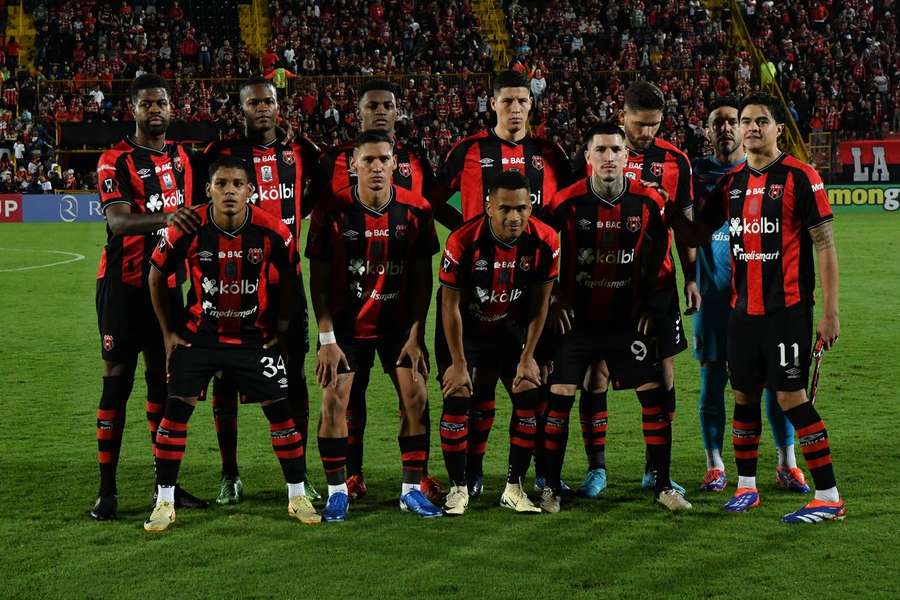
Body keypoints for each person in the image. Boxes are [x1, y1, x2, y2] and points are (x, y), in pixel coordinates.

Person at [667, 93, 845, 523]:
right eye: (746, 121)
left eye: (761, 121)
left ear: (777, 128)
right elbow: (693, 235)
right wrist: (663, 204)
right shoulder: (731, 184)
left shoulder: (802, 177)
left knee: (791, 397)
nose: (751, 128)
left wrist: (831, 311)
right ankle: (746, 487)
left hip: (787, 312)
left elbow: (824, 244)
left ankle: (829, 495)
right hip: (741, 313)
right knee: (743, 396)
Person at [144, 155, 320, 531]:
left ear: (250, 191)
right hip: (200, 338)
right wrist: (169, 332)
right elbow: (156, 275)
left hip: (253, 338)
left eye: (237, 184)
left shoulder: (273, 230)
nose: (229, 191)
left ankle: (297, 495)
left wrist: (283, 325)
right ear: (208, 189)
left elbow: (291, 278)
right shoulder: (187, 228)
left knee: (281, 412)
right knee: (175, 413)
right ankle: (164, 502)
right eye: (221, 184)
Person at [539, 122, 693, 514]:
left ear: (628, 157)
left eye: (616, 151)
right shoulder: (566, 201)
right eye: (601, 150)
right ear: (588, 157)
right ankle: (552, 487)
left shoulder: (647, 202)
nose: (609, 158)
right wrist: (553, 295)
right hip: (578, 320)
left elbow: (660, 259)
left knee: (653, 395)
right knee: (559, 398)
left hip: (625, 320)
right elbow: (538, 250)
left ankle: (661, 484)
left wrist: (648, 306)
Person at [433, 70, 571, 497]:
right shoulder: (469, 151)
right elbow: (436, 198)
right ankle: (472, 474)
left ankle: (543, 476)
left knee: (535, 384)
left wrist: (550, 271)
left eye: (522, 101)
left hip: (527, 287)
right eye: (507, 101)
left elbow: (566, 207)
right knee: (479, 384)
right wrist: (471, 234)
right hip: (476, 286)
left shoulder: (549, 152)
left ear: (532, 105)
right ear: (491, 103)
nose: (515, 109)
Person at [312, 79, 444, 503]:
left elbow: (424, 275)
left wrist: (416, 333)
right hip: (348, 326)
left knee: (416, 393)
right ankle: (341, 486)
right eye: (367, 160)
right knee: (337, 399)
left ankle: (412, 487)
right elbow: (318, 279)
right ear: (353, 164)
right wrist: (327, 339)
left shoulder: (417, 210)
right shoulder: (331, 211)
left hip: (396, 324)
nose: (375, 166)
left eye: (383, 160)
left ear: (394, 164)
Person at [90, 74, 206, 520]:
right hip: (123, 287)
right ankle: (107, 492)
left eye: (161, 103)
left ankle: (167, 490)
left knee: (164, 385)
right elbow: (118, 223)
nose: (155, 110)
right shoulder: (113, 159)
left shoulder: (182, 158)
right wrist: (168, 218)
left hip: (168, 288)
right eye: (146, 104)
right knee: (116, 383)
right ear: (133, 110)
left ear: (171, 108)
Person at [202, 77, 321, 505]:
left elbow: (317, 197)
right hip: (232, 280)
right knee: (225, 376)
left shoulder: (302, 151)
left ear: (278, 104)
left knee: (294, 377)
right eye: (254, 102)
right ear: (243, 109)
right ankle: (229, 473)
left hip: (286, 282)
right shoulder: (223, 155)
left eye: (268, 101)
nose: (262, 108)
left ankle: (300, 472)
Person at [692, 96, 808, 493]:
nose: (727, 128)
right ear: (708, 131)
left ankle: (786, 462)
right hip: (714, 299)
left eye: (733, 122)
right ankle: (715, 464)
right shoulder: (693, 176)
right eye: (719, 122)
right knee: (712, 384)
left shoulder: (770, 173)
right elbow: (686, 229)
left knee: (777, 386)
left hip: (765, 301)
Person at [437, 170, 558, 515]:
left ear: (531, 208)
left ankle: (513, 487)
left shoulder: (546, 241)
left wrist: (528, 357)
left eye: (521, 208)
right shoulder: (462, 242)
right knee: (458, 396)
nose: (514, 216)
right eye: (505, 208)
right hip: (464, 329)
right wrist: (459, 364)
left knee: (529, 394)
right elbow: (449, 307)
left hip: (510, 325)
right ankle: (458, 487)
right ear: (489, 207)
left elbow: (540, 306)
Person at [609, 81, 697, 495]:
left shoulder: (676, 161)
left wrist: (692, 277)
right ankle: (596, 468)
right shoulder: (604, 153)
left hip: (659, 283)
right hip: (608, 283)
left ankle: (655, 467)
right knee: (595, 371)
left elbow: (683, 227)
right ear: (621, 115)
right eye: (639, 124)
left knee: (664, 368)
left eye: (655, 125)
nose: (646, 133)